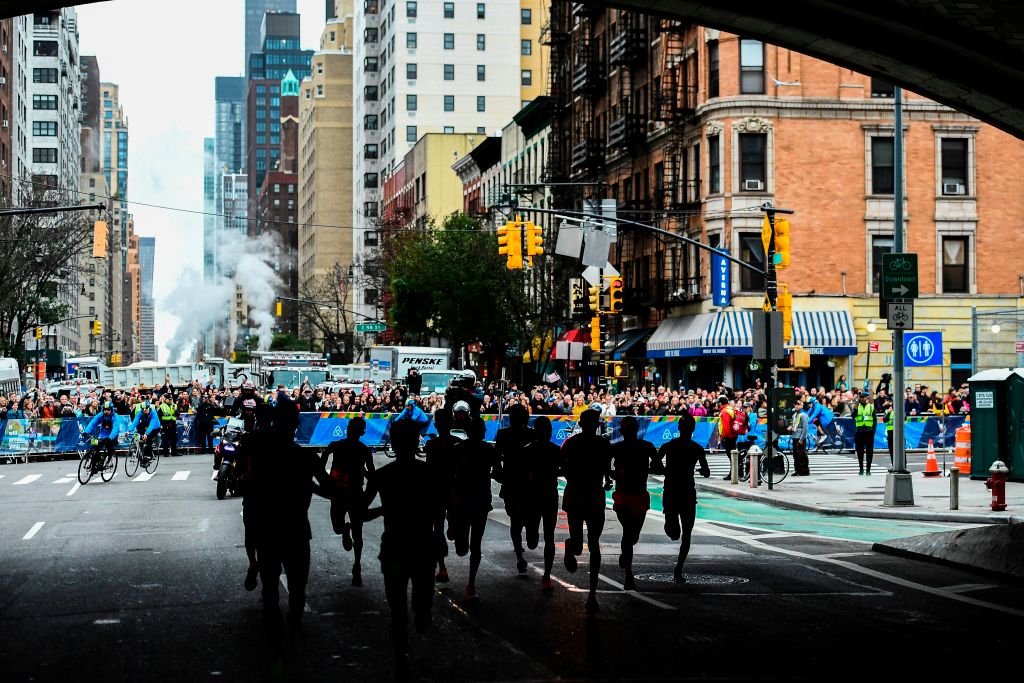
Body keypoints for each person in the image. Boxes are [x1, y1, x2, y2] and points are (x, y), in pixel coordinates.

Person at [245, 398, 332, 667]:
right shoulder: (306, 458)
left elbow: (252, 493)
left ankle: (276, 650)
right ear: (295, 425)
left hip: (268, 530)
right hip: (296, 531)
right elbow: (330, 489)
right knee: (297, 589)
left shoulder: (261, 457)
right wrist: (309, 485)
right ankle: (295, 625)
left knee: (270, 592)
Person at [361, 418, 443, 675]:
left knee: (397, 610)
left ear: (394, 444)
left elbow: (361, 512)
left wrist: (386, 509)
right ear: (416, 442)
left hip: (394, 546)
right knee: (422, 603)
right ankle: (421, 616)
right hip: (423, 545)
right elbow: (439, 508)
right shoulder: (429, 473)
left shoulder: (383, 475)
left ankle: (400, 659)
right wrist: (439, 535)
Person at [560, 408, 612, 614]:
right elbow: (606, 468)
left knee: (590, 544)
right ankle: (591, 594)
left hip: (583, 494)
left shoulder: (573, 443)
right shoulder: (598, 444)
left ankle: (592, 593)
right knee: (588, 544)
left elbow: (561, 467)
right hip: (586, 495)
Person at [654, 413, 710, 583]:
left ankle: (669, 523)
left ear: (679, 428)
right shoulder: (697, 449)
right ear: (693, 429)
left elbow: (654, 465)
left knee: (675, 532)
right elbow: (707, 472)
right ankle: (678, 569)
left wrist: (666, 471)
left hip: (671, 491)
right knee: (686, 534)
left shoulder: (668, 446)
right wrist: (699, 471)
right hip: (687, 492)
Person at [320, 416, 375, 587]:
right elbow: (372, 476)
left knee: (340, 527)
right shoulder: (363, 450)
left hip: (340, 492)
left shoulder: (336, 445)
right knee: (357, 533)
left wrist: (324, 478)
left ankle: (357, 566)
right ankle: (356, 564)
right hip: (354, 493)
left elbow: (323, 459)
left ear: (348, 429)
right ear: (362, 433)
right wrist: (363, 473)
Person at [448, 416, 499, 601]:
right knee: (468, 546)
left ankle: (471, 582)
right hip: (471, 500)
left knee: (472, 545)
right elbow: (499, 472)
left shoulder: (461, 449)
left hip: (474, 501)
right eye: (482, 429)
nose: (484, 431)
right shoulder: (483, 450)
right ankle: (471, 583)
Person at [610, 416, 658, 590]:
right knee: (629, 531)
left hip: (638, 495)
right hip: (624, 495)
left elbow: (658, 465)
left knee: (633, 535)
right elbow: (659, 466)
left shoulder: (645, 447)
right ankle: (628, 575)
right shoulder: (619, 448)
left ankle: (626, 556)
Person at [521, 416, 563, 590]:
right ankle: (546, 576)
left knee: (541, 537)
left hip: (536, 496)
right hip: (545, 495)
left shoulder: (528, 450)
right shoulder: (555, 450)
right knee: (548, 536)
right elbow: (563, 469)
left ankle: (547, 575)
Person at [493, 403, 535, 574]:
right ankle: (520, 551)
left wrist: (498, 471)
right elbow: (497, 458)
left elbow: (496, 458)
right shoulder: (530, 434)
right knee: (520, 518)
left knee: (515, 520)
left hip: (514, 480)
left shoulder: (504, 434)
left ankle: (519, 555)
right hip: (523, 481)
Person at [423, 409, 459, 583]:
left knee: (437, 529)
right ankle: (453, 528)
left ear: (436, 425)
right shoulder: (458, 443)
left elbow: (430, 468)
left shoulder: (431, 445)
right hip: (454, 489)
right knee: (446, 528)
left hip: (437, 490)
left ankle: (442, 567)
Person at [84, 402, 121, 472]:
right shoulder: (100, 415)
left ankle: (108, 460)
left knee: (109, 446)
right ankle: (94, 466)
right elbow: (93, 423)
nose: (106, 411)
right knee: (95, 447)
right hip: (102, 435)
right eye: (105, 410)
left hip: (112, 435)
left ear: (111, 410)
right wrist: (86, 431)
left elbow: (116, 428)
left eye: (108, 410)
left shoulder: (115, 416)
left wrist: (110, 437)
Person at [854, 391, 876, 475]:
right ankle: (861, 469)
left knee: (869, 451)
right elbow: (853, 416)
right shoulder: (857, 406)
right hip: (859, 431)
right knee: (860, 451)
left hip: (869, 432)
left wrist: (873, 430)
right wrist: (855, 409)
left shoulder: (871, 407)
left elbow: (875, 420)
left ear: (866, 398)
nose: (863, 399)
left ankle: (868, 470)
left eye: (864, 397)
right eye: (861, 397)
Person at [717, 397, 739, 480]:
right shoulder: (731, 409)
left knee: (731, 456)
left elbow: (726, 426)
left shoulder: (725, 412)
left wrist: (724, 437)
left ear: (720, 403)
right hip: (734, 435)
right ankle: (736, 472)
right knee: (732, 455)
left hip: (729, 436)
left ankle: (733, 474)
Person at [790, 399, 810, 476]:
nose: (796, 406)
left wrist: (801, 439)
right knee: (795, 454)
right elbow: (794, 425)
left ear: (802, 406)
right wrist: (791, 427)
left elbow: (805, 428)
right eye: (796, 404)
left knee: (801, 454)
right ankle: (797, 470)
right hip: (795, 436)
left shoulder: (803, 415)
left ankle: (804, 470)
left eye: (798, 404)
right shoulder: (794, 415)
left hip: (800, 437)